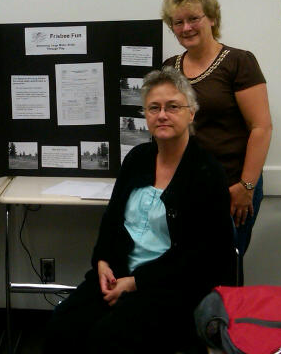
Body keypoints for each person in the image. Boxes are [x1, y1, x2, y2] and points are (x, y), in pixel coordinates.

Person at [43, 67, 236, 354]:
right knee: (62, 325)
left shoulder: (207, 173)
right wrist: (102, 262)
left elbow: (201, 257)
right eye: (154, 107)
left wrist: (135, 283)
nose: (162, 115)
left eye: (173, 107)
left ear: (191, 113)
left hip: (174, 286)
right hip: (119, 273)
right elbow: (112, 220)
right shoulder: (137, 159)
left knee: (106, 338)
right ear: (145, 115)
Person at [161, 0, 272, 256]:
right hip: (185, 187)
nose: (186, 28)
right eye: (178, 22)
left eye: (193, 18)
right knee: (184, 266)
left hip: (232, 187)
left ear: (211, 18)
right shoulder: (169, 68)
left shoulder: (239, 62)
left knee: (225, 266)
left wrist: (246, 187)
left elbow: (261, 127)